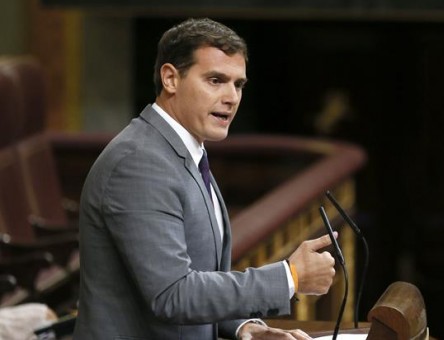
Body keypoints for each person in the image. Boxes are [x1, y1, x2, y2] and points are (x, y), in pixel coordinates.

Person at [73, 18, 337, 340]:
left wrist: (245, 328)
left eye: (238, 84)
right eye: (215, 80)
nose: (231, 97)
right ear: (170, 78)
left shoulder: (183, 151)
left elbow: (197, 284)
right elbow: (172, 294)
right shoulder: (140, 163)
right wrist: (290, 276)